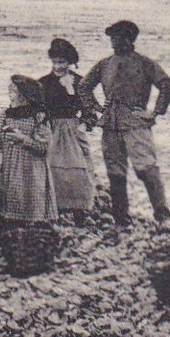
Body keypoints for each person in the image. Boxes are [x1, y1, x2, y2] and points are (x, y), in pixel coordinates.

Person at [81, 20, 170, 225]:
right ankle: (121, 219)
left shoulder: (144, 63)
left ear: (129, 39)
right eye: (112, 38)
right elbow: (84, 87)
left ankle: (162, 215)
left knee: (146, 168)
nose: (114, 41)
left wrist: (154, 113)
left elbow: (167, 86)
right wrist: (97, 108)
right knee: (115, 172)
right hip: (111, 125)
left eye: (118, 37)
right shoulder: (105, 64)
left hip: (136, 124)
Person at [0, 75, 58, 226]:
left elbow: (44, 147)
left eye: (13, 91)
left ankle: (29, 224)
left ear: (25, 95)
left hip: (30, 170)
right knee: (0, 206)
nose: (9, 94)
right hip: (6, 167)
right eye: (9, 90)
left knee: (28, 205)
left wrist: (22, 138)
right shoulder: (4, 116)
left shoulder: (38, 117)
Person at [38, 37, 100, 214]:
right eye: (55, 62)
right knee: (50, 168)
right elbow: (36, 109)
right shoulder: (43, 83)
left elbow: (90, 112)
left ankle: (79, 209)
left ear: (70, 62)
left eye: (62, 62)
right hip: (50, 130)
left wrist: (82, 126)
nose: (58, 66)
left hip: (73, 131)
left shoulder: (80, 82)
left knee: (78, 170)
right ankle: (51, 208)